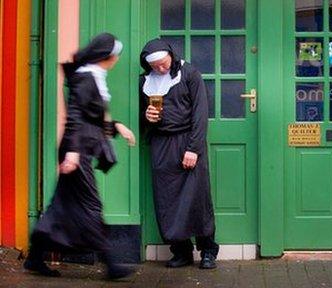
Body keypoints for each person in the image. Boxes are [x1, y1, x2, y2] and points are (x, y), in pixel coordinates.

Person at [23, 33, 136, 279]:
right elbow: (75, 116)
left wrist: (117, 127)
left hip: (78, 148)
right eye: (116, 54)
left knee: (62, 205)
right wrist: (73, 153)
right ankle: (112, 265)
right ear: (107, 56)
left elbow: (92, 117)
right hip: (77, 151)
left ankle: (34, 257)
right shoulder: (87, 77)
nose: (117, 59)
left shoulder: (94, 75)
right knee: (90, 205)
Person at [140, 38, 219, 269]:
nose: (161, 69)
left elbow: (200, 114)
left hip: (188, 140)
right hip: (161, 144)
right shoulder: (144, 82)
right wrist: (147, 118)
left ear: (172, 56)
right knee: (168, 200)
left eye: (164, 64)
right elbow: (140, 117)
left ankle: (208, 251)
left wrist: (193, 149)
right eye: (156, 66)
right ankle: (181, 251)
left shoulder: (190, 74)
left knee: (198, 199)